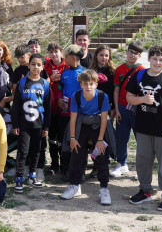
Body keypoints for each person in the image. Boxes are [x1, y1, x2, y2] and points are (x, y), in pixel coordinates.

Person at [126, 45, 162, 211]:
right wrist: (142, 99)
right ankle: (145, 191)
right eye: (154, 59)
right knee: (143, 161)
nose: (157, 62)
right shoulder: (140, 75)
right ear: (148, 59)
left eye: (161, 60)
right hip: (143, 128)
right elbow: (129, 98)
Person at [60, 69, 113, 206]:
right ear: (80, 84)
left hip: (97, 125)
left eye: (91, 83)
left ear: (96, 84)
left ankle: (104, 188)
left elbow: (104, 120)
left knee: (101, 155)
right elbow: (73, 119)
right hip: (81, 125)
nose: (88, 86)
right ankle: (75, 185)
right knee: (76, 154)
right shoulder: (76, 96)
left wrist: (100, 140)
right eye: (85, 83)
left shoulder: (102, 96)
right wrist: (72, 138)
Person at [11, 54, 51, 193]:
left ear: (42, 67)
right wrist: (15, 124)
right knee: (23, 151)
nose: (35, 67)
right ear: (29, 65)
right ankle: (19, 177)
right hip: (24, 124)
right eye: (33, 64)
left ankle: (32, 175)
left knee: (36, 150)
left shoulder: (45, 84)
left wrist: (46, 126)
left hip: (39, 124)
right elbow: (16, 104)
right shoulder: (23, 82)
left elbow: (48, 107)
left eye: (38, 65)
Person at [110, 41, 145, 178]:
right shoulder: (119, 70)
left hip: (137, 109)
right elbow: (116, 91)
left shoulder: (142, 70)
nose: (133, 55)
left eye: (136, 53)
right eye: (131, 52)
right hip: (123, 108)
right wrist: (117, 110)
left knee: (140, 139)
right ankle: (121, 164)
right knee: (121, 137)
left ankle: (141, 167)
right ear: (126, 52)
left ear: (140, 56)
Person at [58, 44, 85, 180]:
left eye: (66, 56)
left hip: (80, 115)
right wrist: (58, 99)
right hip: (65, 114)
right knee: (66, 142)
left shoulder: (85, 73)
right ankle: (65, 170)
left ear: (73, 57)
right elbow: (59, 87)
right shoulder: (64, 72)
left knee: (80, 143)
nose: (64, 58)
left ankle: (80, 171)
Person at [44, 42, 67, 174]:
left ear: (61, 52)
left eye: (56, 51)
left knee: (63, 136)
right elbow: (41, 82)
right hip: (50, 106)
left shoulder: (67, 65)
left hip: (64, 107)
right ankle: (54, 163)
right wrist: (50, 79)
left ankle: (64, 162)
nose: (54, 54)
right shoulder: (46, 66)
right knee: (52, 137)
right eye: (51, 52)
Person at [89, 45, 115, 118]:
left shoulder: (112, 71)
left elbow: (114, 90)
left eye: (106, 55)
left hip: (107, 104)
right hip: (93, 104)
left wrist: (114, 108)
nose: (104, 58)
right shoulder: (90, 71)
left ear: (109, 57)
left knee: (106, 127)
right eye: (101, 55)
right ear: (96, 56)